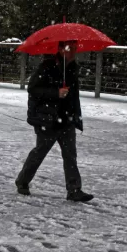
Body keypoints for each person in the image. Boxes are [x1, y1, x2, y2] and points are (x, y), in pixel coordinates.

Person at [15, 40, 94, 202]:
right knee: (40, 152)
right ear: (59, 49)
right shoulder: (48, 65)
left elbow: (73, 96)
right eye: (68, 48)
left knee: (70, 154)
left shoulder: (72, 67)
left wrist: (75, 115)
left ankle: (74, 189)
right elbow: (33, 89)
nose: (72, 51)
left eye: (74, 48)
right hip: (48, 118)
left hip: (67, 118)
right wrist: (55, 93)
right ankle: (22, 181)